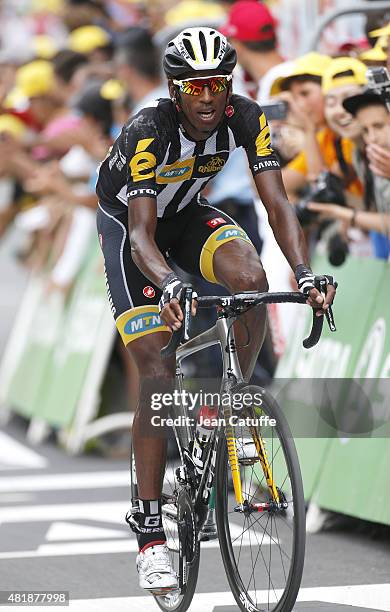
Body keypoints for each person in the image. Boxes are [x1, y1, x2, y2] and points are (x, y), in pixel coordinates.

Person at [95, 27, 336, 594]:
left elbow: (276, 202)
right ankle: (151, 530)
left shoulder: (246, 116)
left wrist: (303, 274)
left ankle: (233, 409)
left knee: (250, 282)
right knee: (158, 375)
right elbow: (141, 237)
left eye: (218, 84)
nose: (209, 97)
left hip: (189, 216)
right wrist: (169, 285)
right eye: (196, 86)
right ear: (176, 89)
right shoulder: (147, 130)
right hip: (133, 234)